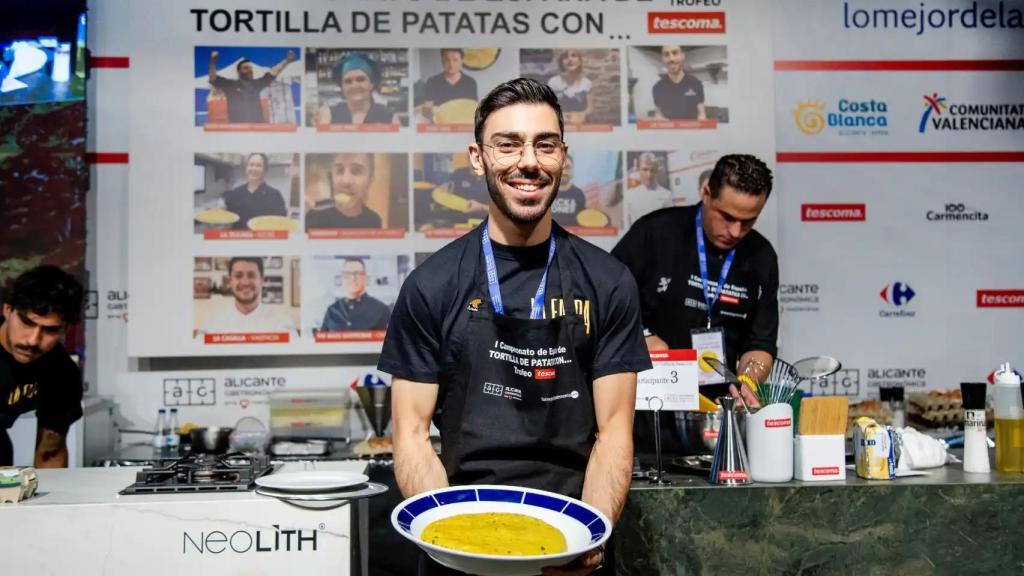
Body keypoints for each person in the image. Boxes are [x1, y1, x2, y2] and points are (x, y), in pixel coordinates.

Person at [380, 78, 651, 575]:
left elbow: (614, 433)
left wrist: (590, 537)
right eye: (508, 144)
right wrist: (452, 539)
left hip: (570, 542)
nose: (528, 162)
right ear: (477, 157)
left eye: (545, 145)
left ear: (563, 157)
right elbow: (412, 435)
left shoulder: (608, 282)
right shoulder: (431, 285)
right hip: (459, 543)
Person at [613, 155, 775, 453]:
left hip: (714, 422)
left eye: (748, 221)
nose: (736, 231)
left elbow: (760, 343)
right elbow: (602, 303)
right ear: (706, 193)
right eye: (727, 217)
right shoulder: (655, 233)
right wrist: (641, 337)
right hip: (645, 417)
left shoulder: (761, 256)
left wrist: (748, 382)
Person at [0, 266, 83, 467]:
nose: (33, 340)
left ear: (65, 329)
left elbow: (50, 453)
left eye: (50, 330)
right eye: (27, 323)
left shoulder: (62, 373)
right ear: (8, 310)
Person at [202, 258, 295, 334]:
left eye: (251, 275)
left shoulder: (282, 321)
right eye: (238, 276)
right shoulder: (212, 323)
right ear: (230, 281)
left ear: (262, 281)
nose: (245, 282)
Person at [208, 50, 296, 124]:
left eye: (250, 68)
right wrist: (213, 62)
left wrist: (287, 61)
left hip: (257, 128)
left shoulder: (256, 84)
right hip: (237, 129)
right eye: (246, 68)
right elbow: (213, 79)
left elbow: (273, 73)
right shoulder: (231, 85)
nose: (250, 70)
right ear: (239, 71)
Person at [305, 153, 384, 230]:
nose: (346, 181)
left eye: (356, 171)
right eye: (339, 171)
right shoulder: (312, 216)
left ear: (370, 181)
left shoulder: (374, 221)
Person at [317, 52, 397, 125]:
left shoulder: (388, 117)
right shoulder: (329, 115)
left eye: (360, 79)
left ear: (371, 84)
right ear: (342, 87)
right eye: (348, 81)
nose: (354, 86)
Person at [320, 258, 391, 331]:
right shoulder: (332, 311)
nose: (352, 278)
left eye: (357, 273)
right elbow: (321, 337)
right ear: (342, 278)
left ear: (365, 277)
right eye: (347, 274)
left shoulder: (381, 310)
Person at [221, 153, 288, 230]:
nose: (254, 168)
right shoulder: (234, 194)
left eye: (258, 165)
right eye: (251, 165)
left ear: (265, 170)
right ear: (246, 168)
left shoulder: (275, 196)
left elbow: (281, 225)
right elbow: (227, 222)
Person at [421, 49, 478, 122]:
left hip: (463, 123)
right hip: (440, 123)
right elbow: (426, 110)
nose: (451, 64)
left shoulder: (470, 82)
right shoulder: (432, 81)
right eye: (447, 60)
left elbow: (473, 108)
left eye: (455, 60)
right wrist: (430, 111)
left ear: (461, 61)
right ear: (442, 61)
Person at [652, 45, 706, 121]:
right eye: (666, 55)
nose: (671, 58)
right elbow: (658, 114)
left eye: (675, 53)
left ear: (683, 56)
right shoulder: (657, 88)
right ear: (663, 59)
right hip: (668, 128)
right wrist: (659, 118)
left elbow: (701, 114)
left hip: (691, 128)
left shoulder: (696, 83)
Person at [625, 152, 675, 226]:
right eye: (645, 170)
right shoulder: (630, 195)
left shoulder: (666, 195)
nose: (649, 174)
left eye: (652, 170)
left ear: (656, 172)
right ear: (638, 170)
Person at [547, 49, 592, 125]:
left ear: (580, 62)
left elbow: (590, 108)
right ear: (561, 63)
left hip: (580, 125)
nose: (570, 59)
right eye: (565, 57)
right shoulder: (553, 82)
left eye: (573, 56)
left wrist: (582, 114)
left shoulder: (586, 83)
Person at [550, 154, 588, 227]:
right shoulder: (546, 193)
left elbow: (582, 221)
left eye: (567, 168)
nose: (564, 172)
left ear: (572, 171)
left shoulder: (579, 194)